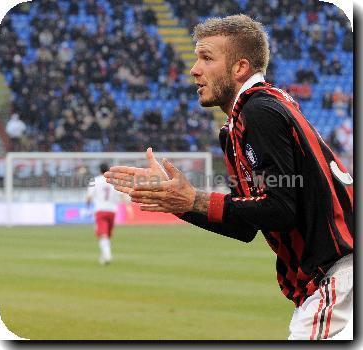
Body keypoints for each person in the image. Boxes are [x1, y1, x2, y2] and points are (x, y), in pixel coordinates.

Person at [104, 15, 353, 340]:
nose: (194, 69)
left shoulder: (258, 112)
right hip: (331, 282)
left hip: (338, 278)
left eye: (206, 58)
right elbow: (247, 224)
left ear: (240, 68)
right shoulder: (254, 114)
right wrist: (180, 203)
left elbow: (280, 206)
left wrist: (194, 199)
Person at [87, 163, 133, 265]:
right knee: (107, 235)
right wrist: (128, 207)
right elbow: (122, 196)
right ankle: (104, 256)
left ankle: (107, 256)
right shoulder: (114, 181)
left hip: (100, 210)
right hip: (112, 211)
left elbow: (89, 197)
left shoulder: (94, 180)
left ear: (99, 170)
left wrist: (88, 207)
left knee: (102, 235)